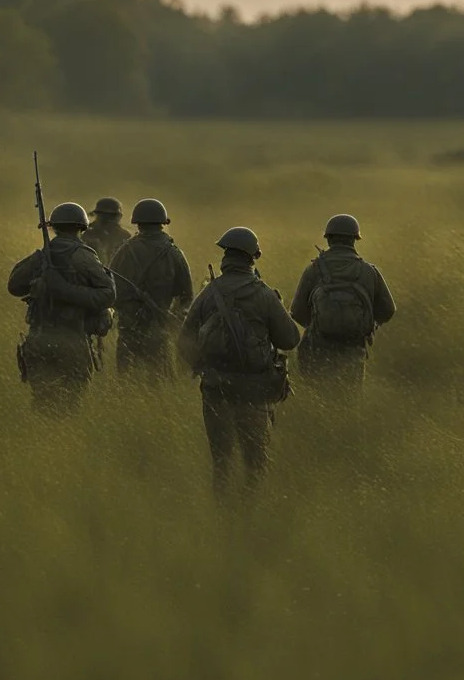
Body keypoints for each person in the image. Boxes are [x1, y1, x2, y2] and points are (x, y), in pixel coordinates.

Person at [177, 227, 300, 500]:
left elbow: (184, 341)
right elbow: (290, 339)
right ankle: (249, 520)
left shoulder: (210, 293)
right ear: (252, 257)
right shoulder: (264, 294)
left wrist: (206, 366)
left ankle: (221, 521)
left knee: (222, 464)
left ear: (225, 257)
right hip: (255, 391)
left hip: (215, 389)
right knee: (255, 464)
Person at [7, 202, 116, 416]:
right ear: (81, 227)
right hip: (72, 341)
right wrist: (70, 291)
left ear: (54, 227)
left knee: (42, 401)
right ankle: (60, 443)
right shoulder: (83, 256)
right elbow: (108, 295)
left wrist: (56, 284)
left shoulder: (40, 256)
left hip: (39, 340)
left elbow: (14, 286)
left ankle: (43, 442)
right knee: (70, 405)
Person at [289, 214, 396, 398]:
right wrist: (367, 325)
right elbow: (388, 310)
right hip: (353, 350)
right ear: (355, 239)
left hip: (319, 349)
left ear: (328, 238)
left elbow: (297, 311)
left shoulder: (313, 270)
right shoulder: (369, 272)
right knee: (349, 401)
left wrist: (319, 326)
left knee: (318, 400)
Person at [108, 198, 193, 379]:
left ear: (137, 222)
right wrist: (172, 317)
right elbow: (186, 296)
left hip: (129, 331)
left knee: (127, 387)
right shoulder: (174, 254)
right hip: (159, 333)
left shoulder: (125, 251)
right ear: (163, 223)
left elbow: (110, 290)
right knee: (160, 387)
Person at [82, 197, 131, 265]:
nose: (108, 220)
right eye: (105, 217)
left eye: (112, 217)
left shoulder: (124, 235)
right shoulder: (87, 233)